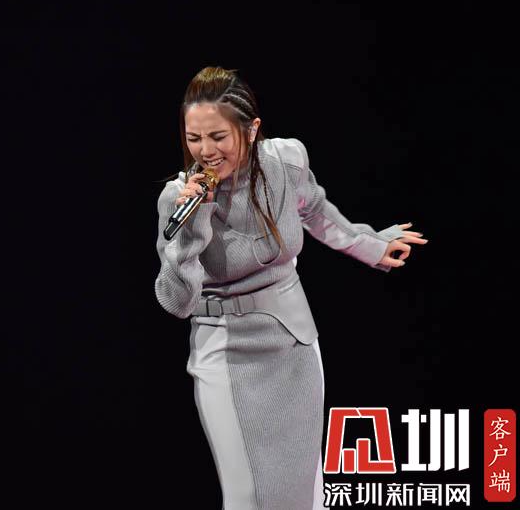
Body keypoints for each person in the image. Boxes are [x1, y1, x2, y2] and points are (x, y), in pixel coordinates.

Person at [154, 66, 427, 510]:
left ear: (251, 129)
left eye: (218, 137)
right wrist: (193, 224)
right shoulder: (178, 198)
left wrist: (372, 245)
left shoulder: (286, 162)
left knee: (305, 491)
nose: (206, 151)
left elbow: (316, 210)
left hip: (292, 342)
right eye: (194, 139)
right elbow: (177, 301)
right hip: (225, 351)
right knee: (247, 496)